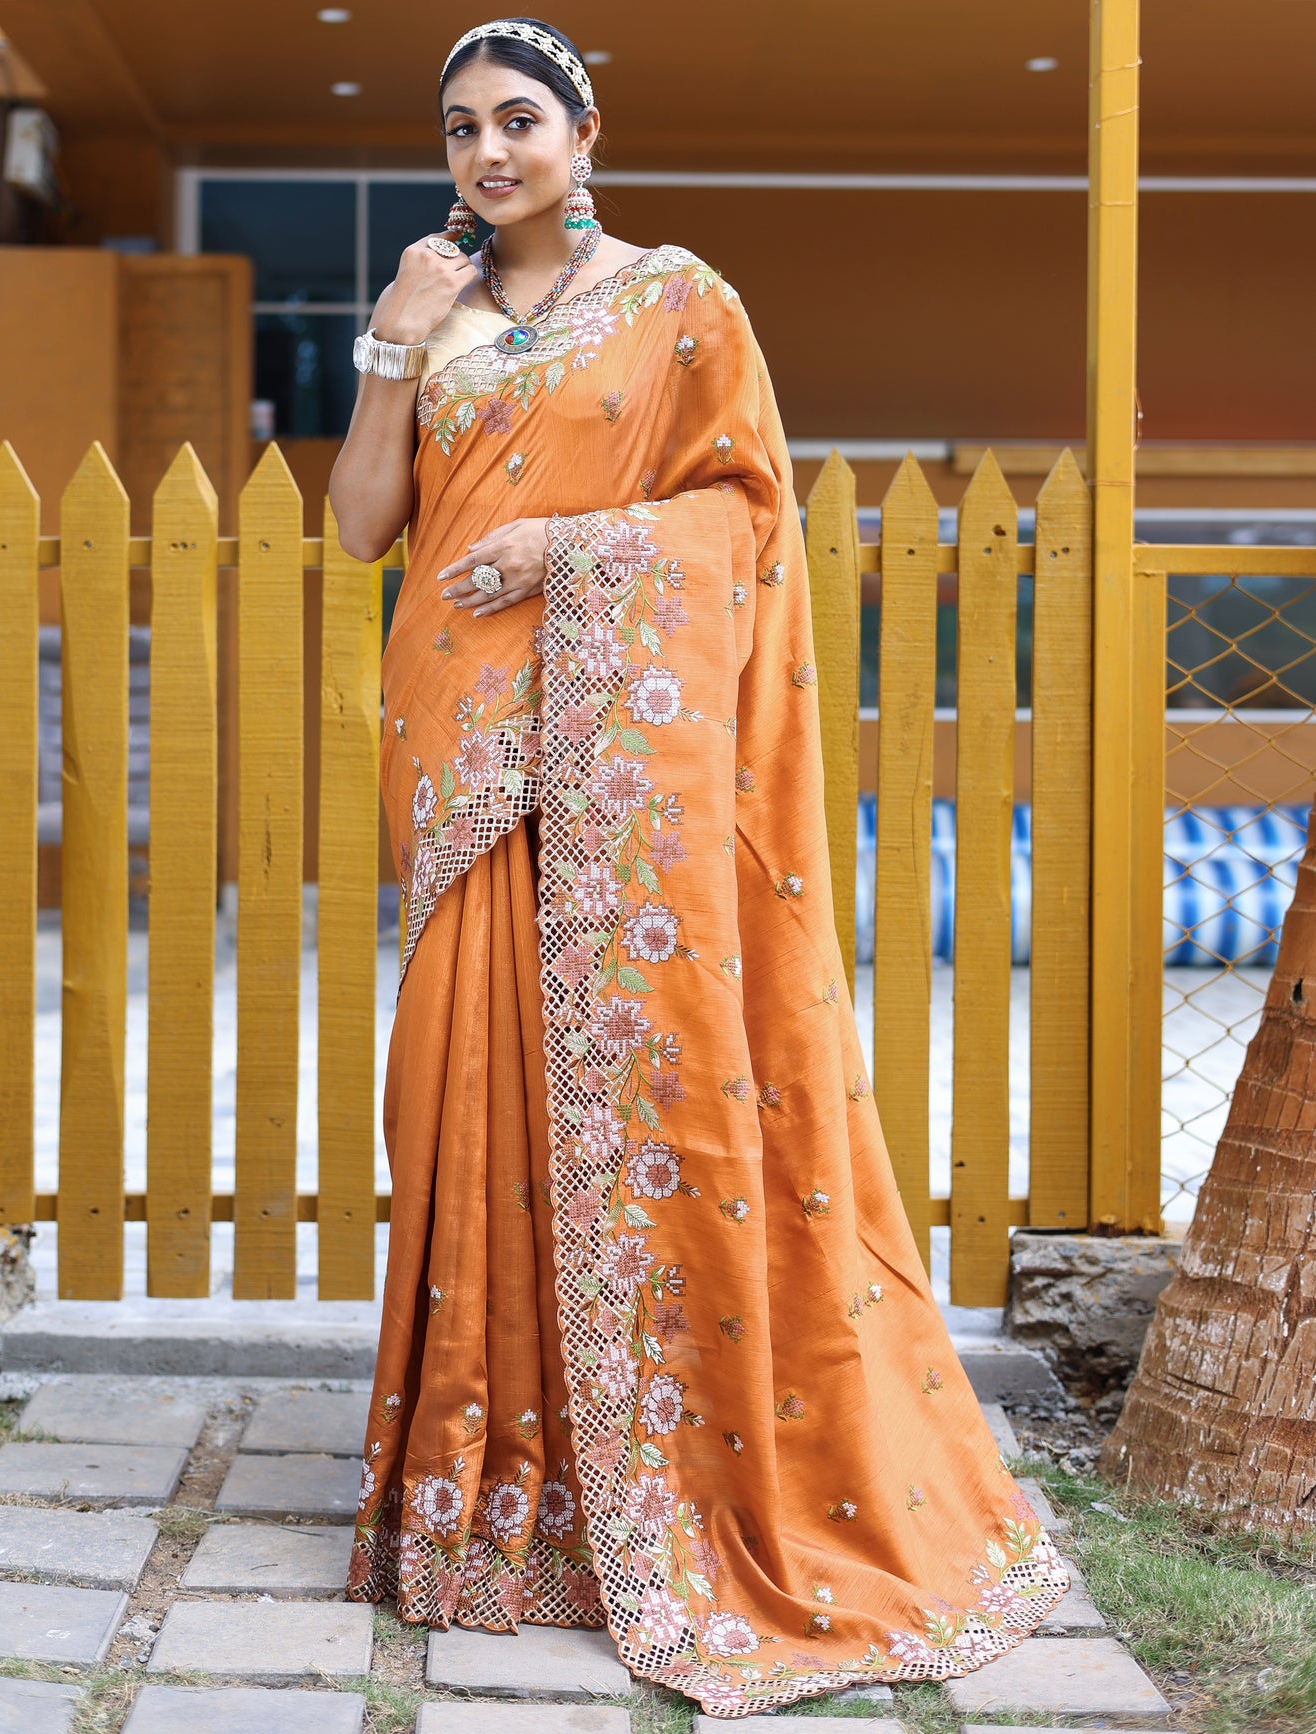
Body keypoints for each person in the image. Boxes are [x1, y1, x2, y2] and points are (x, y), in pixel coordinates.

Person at [328, 17, 1068, 1720]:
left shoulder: (679, 301)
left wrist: (572, 544)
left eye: (519, 119)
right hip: (461, 737)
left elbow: (742, 520)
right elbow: (370, 529)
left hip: (618, 760)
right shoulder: (427, 313)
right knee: (456, 1085)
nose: (488, 153)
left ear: (584, 131)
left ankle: (643, 1487)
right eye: (459, 130)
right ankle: (486, 1490)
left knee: (635, 1084)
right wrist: (384, 348)